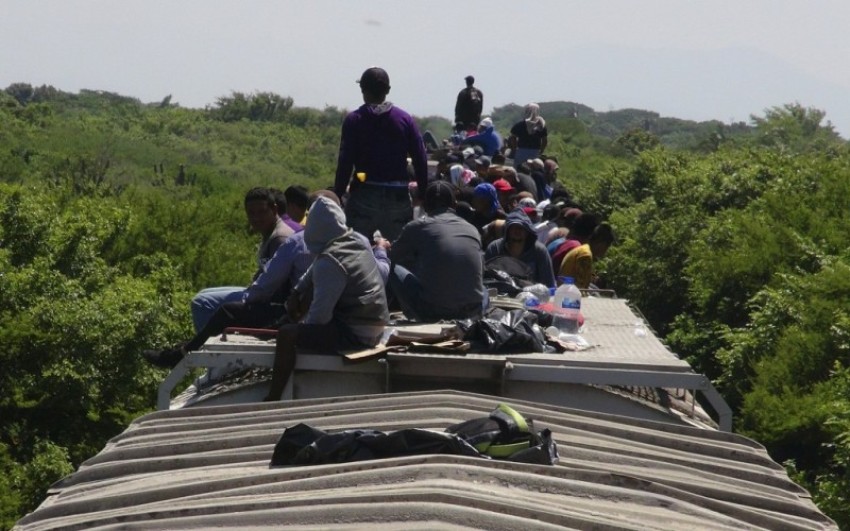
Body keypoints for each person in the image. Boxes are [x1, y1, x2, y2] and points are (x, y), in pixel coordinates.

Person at [265, 196, 389, 401]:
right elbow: (316, 268)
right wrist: (297, 291)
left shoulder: (329, 262)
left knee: (287, 334)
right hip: (375, 324)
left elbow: (319, 319)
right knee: (315, 288)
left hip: (357, 333)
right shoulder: (353, 241)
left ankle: (273, 396)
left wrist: (299, 328)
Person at [333, 66, 428, 242]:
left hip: (364, 193)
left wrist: (337, 194)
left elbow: (345, 162)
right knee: (398, 253)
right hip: (398, 197)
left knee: (358, 251)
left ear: (362, 90)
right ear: (388, 90)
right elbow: (420, 159)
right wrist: (423, 192)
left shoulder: (354, 120)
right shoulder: (405, 119)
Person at [190, 187, 295, 332]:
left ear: (274, 210)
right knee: (203, 294)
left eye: (262, 212)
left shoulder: (279, 238)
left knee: (201, 302)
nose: (256, 218)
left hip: (270, 302)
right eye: (251, 213)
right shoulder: (270, 233)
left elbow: (276, 284)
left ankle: (207, 347)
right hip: (261, 292)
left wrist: (247, 299)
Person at [388, 181, 485, 322]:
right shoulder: (471, 228)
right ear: (454, 204)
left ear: (426, 205)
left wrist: (381, 247)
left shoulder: (417, 226)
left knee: (389, 265)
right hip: (472, 311)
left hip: (434, 312)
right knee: (484, 291)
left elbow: (392, 255)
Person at [485, 208, 556, 288]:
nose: (517, 231)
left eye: (521, 228)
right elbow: (486, 278)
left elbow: (549, 284)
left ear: (527, 231)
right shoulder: (495, 248)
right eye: (513, 227)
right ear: (507, 230)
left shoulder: (539, 251)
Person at [559, 222, 616, 289]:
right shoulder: (585, 255)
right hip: (568, 291)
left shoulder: (584, 249)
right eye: (607, 247)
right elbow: (581, 287)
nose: (606, 251)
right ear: (600, 243)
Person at [509, 103, 548, 168]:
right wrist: (541, 151)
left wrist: (514, 149)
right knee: (533, 171)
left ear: (526, 111)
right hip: (535, 152)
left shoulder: (520, 125)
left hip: (521, 151)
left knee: (519, 171)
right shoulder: (541, 125)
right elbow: (544, 140)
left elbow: (513, 137)